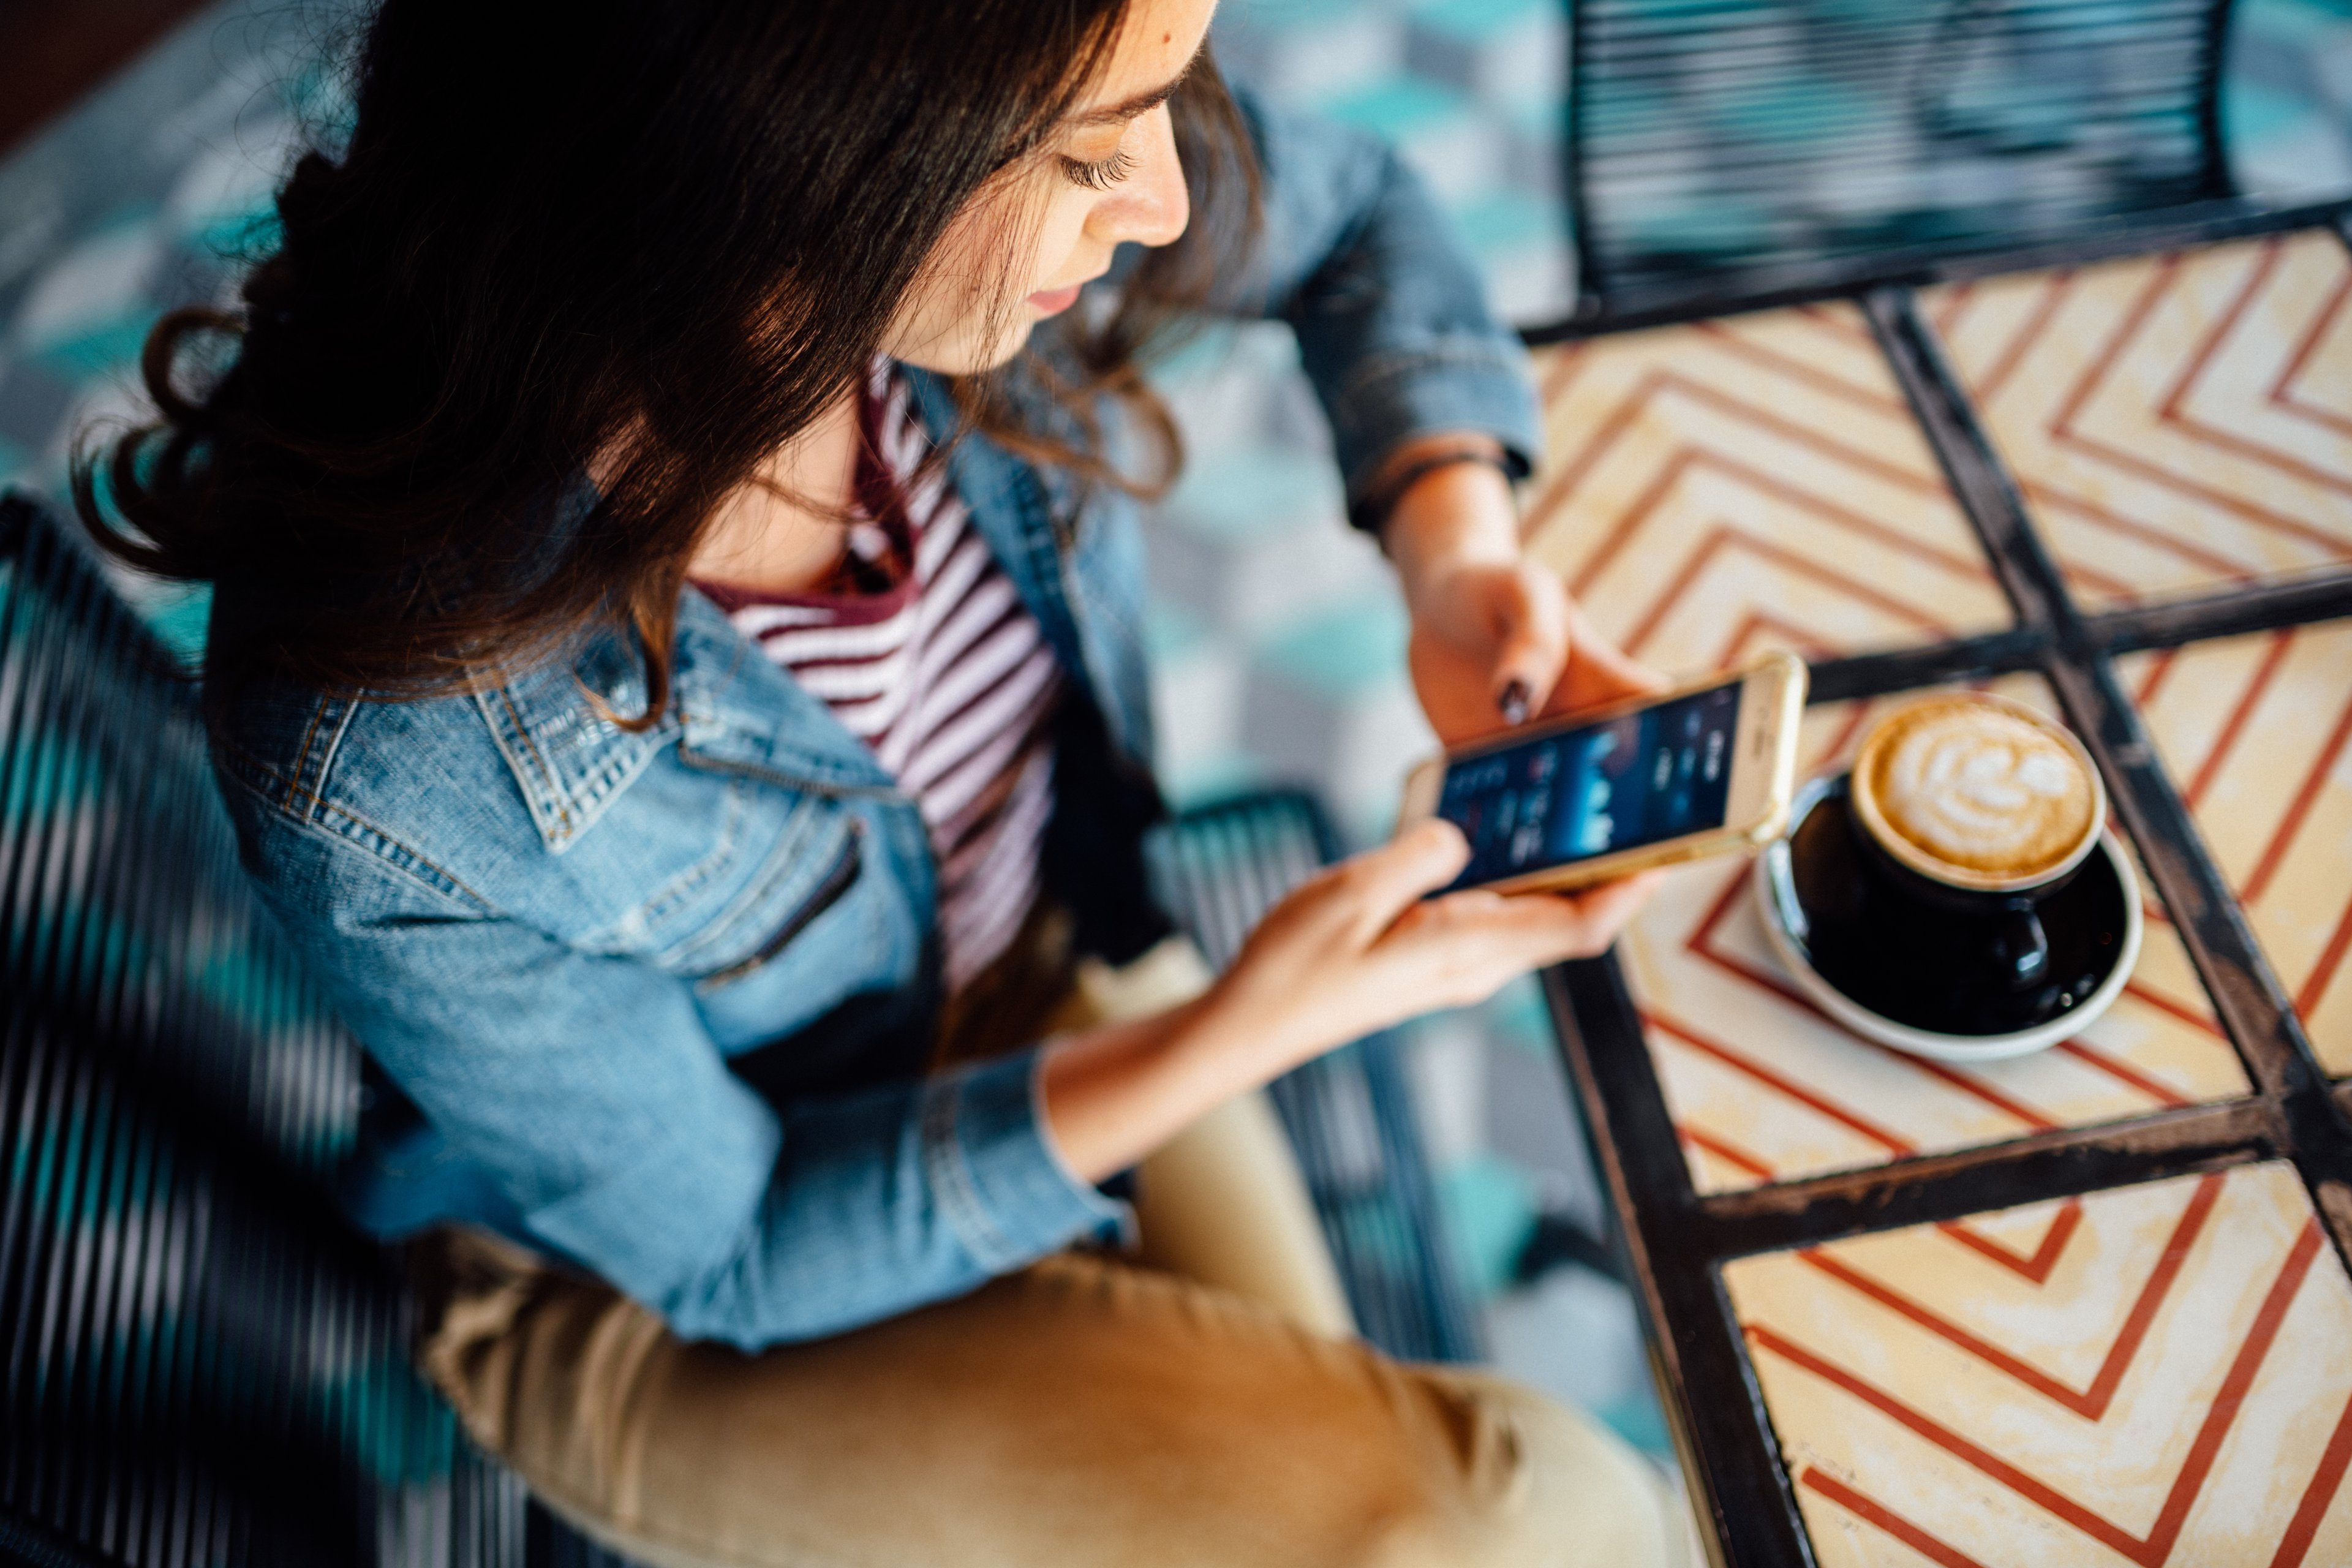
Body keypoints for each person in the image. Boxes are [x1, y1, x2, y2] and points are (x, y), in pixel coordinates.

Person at [79, 1, 1693, 1562]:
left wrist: (1451, 548)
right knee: (1523, 1517)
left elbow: (1351, 217)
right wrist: (1239, 1025)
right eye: (1091, 154)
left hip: (1029, 985)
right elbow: (734, 1247)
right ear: (808, 151)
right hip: (669, 1300)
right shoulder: (397, 745)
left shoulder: (964, 171)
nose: (1168, 195)